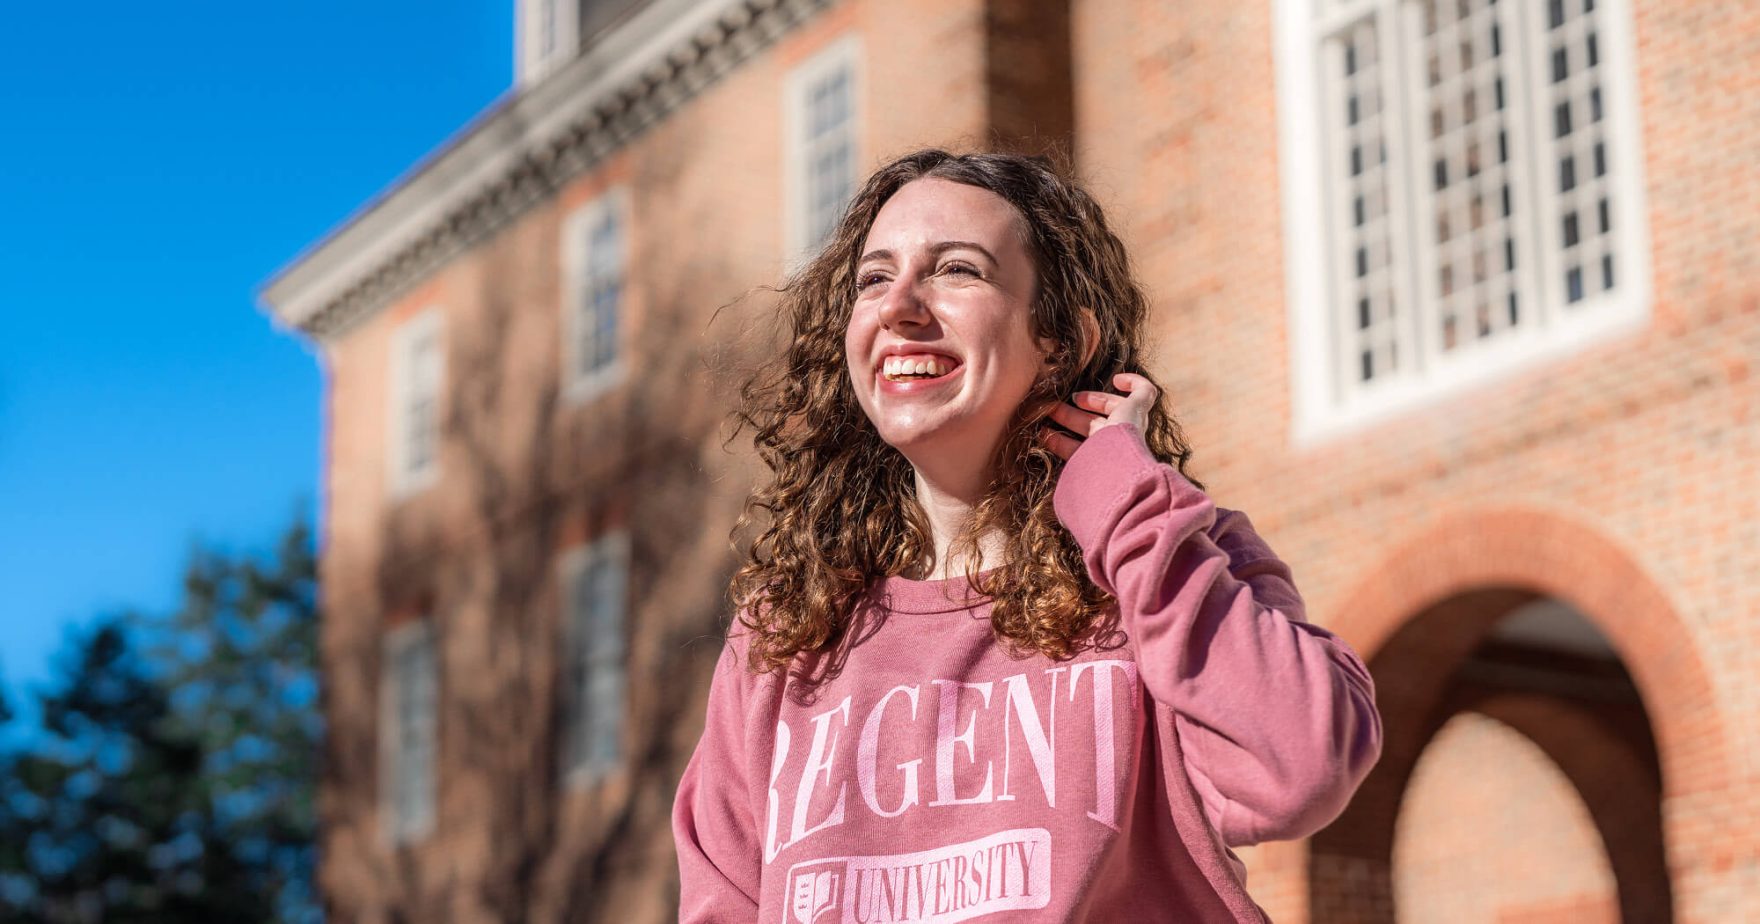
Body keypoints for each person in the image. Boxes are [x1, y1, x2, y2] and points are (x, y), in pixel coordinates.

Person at [673, 149, 1383, 923]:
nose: (900, 305)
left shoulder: (1165, 555)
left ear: (1062, 341)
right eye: (874, 279)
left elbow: (1303, 764)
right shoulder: (783, 635)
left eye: (957, 270)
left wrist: (1120, 492)